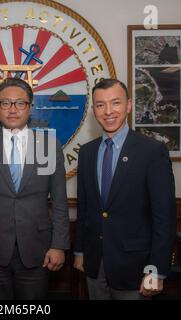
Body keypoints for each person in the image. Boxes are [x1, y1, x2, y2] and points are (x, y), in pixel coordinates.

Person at [0, 77, 70, 300]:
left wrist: (59, 245)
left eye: (20, 103)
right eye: (5, 103)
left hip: (39, 250)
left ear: (30, 107)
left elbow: (61, 202)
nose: (12, 109)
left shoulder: (50, 147)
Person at [74, 78, 176, 300]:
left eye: (116, 103)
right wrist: (80, 251)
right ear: (94, 110)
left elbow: (164, 218)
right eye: (100, 105)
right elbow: (85, 209)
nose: (108, 111)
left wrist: (156, 270)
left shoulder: (152, 152)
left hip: (136, 268)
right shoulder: (87, 152)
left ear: (128, 105)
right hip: (94, 265)